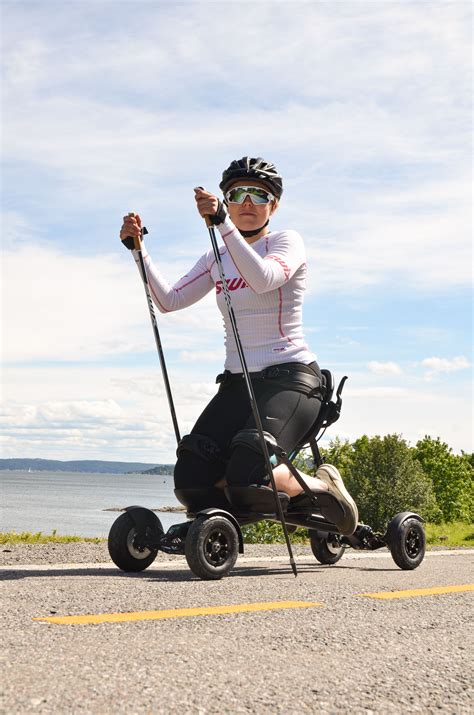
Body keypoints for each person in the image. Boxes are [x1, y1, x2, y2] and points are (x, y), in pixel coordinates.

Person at [120, 157, 358, 536]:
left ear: (273, 205)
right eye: (237, 194)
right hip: (238, 382)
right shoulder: (217, 256)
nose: (247, 202)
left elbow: (264, 278)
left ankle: (323, 487)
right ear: (227, 200)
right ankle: (226, 520)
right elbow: (168, 301)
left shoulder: (285, 242)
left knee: (250, 472)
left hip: (291, 380)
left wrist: (221, 225)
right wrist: (138, 250)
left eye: (258, 195)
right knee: (192, 478)